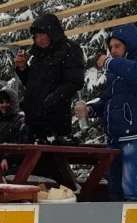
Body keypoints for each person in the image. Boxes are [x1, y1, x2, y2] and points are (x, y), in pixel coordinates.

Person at [75, 24, 137, 202]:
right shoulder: (115, 74)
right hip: (116, 140)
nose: (112, 51)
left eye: (117, 46)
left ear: (129, 45)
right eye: (111, 47)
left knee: (131, 192)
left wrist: (108, 62)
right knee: (115, 191)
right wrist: (90, 110)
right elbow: (107, 100)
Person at [14, 12, 86, 144]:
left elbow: (74, 81)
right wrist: (23, 68)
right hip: (33, 121)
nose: (39, 39)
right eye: (36, 36)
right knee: (33, 162)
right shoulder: (38, 55)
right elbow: (32, 84)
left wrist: (52, 100)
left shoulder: (70, 49)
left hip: (56, 121)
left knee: (51, 161)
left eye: (42, 34)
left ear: (52, 32)